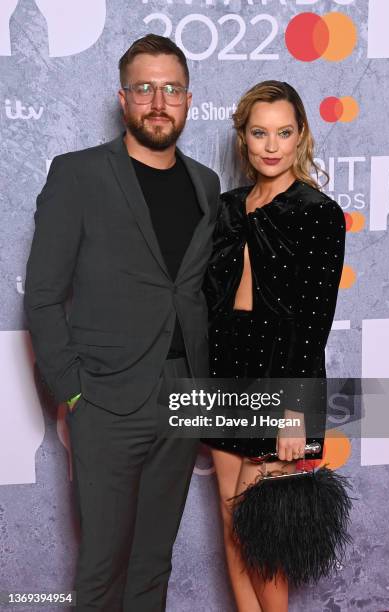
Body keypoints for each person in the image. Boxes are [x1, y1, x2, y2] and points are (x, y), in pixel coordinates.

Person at [24, 34, 220, 611]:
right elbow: (42, 295)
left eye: (172, 89)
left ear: (188, 99)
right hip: (106, 399)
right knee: (102, 569)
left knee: (152, 566)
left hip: (184, 395)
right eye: (145, 88)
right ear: (123, 97)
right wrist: (73, 393)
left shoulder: (206, 184)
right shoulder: (78, 174)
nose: (159, 101)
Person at [202, 81, 346, 611]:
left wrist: (291, 409)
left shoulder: (317, 211)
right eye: (259, 132)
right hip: (224, 369)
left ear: (301, 135)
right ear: (243, 138)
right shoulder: (227, 207)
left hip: (283, 370)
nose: (271, 145)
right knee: (230, 520)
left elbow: (314, 322)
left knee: (259, 526)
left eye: (284, 132)